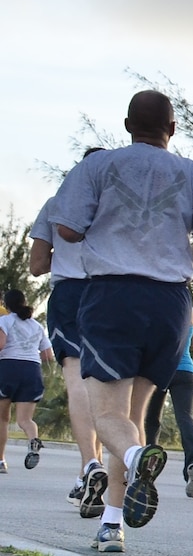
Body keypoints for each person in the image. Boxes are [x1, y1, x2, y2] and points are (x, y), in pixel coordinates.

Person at [46, 92, 193, 554]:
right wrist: (187, 257)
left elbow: (66, 228)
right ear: (172, 128)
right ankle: (113, 521)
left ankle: (134, 465)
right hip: (171, 303)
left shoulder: (98, 166)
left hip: (112, 295)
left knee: (107, 414)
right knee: (133, 416)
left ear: (128, 124)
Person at [28, 147, 109, 514]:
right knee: (109, 387)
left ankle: (90, 464)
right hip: (112, 294)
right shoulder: (116, 203)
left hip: (70, 294)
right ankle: (88, 472)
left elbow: (37, 265)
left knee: (76, 379)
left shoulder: (56, 203)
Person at [142, 321, 193, 497]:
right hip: (185, 371)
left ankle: (147, 469)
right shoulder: (190, 309)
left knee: (151, 421)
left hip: (159, 369)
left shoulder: (157, 303)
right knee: (186, 418)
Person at [0, 290, 54, 473]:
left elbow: (0, 344)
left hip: (8, 368)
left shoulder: (4, 321)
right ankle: (33, 440)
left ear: (6, 305)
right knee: (25, 419)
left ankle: (0, 461)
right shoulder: (37, 326)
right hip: (32, 371)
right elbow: (48, 355)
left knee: (2, 419)